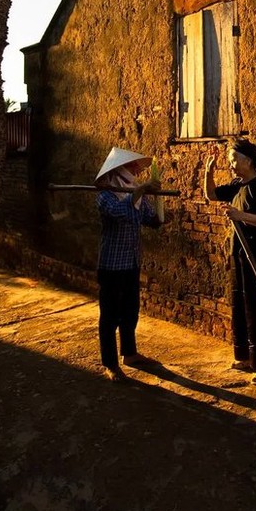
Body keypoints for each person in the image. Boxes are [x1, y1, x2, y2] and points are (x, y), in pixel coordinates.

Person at [204, 138, 256, 386]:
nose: (231, 164)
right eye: (229, 160)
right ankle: (245, 356)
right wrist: (209, 171)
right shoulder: (238, 185)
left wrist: (241, 216)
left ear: (248, 160)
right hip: (239, 254)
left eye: (233, 159)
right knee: (240, 303)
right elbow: (212, 195)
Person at [94, 147, 162, 382]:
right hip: (112, 266)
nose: (135, 171)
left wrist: (159, 219)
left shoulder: (134, 193)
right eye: (131, 167)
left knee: (130, 311)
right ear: (118, 171)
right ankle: (110, 364)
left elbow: (146, 218)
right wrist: (142, 189)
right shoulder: (106, 196)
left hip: (131, 262)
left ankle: (130, 354)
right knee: (110, 316)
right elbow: (122, 214)